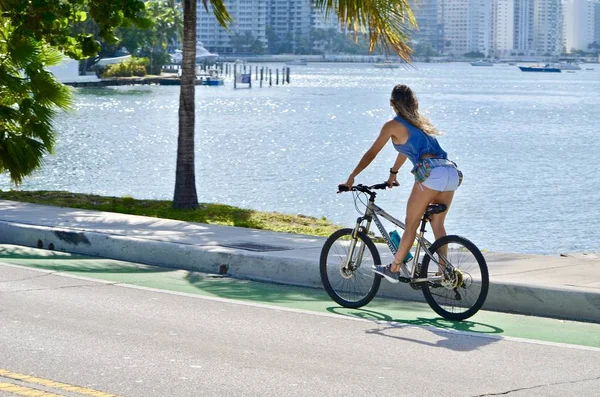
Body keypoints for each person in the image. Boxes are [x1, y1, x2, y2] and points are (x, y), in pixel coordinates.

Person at [340, 84, 462, 283]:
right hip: (450, 171)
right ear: (414, 103)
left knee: (411, 224)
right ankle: (444, 271)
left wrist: (352, 177)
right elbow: (405, 150)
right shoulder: (421, 123)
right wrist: (393, 174)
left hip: (432, 173)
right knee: (438, 223)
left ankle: (394, 268)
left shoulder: (392, 125)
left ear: (391, 103)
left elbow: (372, 153)